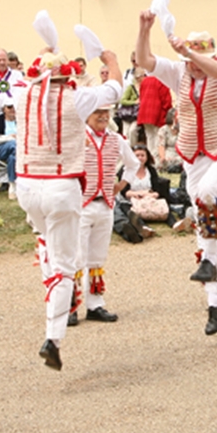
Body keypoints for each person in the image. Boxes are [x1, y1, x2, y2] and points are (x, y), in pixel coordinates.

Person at [136, 13, 217, 337]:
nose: (193, 67)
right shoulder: (180, 71)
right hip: (193, 152)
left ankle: (210, 262)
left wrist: (190, 53)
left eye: (198, 61)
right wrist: (145, 29)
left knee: (208, 193)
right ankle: (216, 303)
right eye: (190, 63)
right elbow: (144, 60)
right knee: (201, 215)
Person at [16, 47, 122, 371]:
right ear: (68, 76)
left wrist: (46, 52)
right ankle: (53, 337)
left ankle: (49, 275)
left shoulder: (22, 94)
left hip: (27, 184)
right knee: (66, 265)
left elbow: (29, 78)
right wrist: (112, 61)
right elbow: (116, 86)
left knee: (47, 241)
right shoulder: (78, 97)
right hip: (61, 185)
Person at [72, 102, 138, 326]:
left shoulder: (116, 139)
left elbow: (133, 163)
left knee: (97, 256)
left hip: (106, 203)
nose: (102, 116)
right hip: (82, 204)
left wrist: (121, 185)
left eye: (105, 112)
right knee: (76, 257)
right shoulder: (77, 137)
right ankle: (70, 305)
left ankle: (95, 304)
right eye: (97, 112)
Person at [136, 68, 172, 161]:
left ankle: (149, 159)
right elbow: (166, 101)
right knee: (158, 138)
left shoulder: (144, 81)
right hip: (157, 114)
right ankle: (156, 160)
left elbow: (141, 97)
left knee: (149, 138)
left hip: (144, 113)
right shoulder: (162, 81)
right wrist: (168, 112)